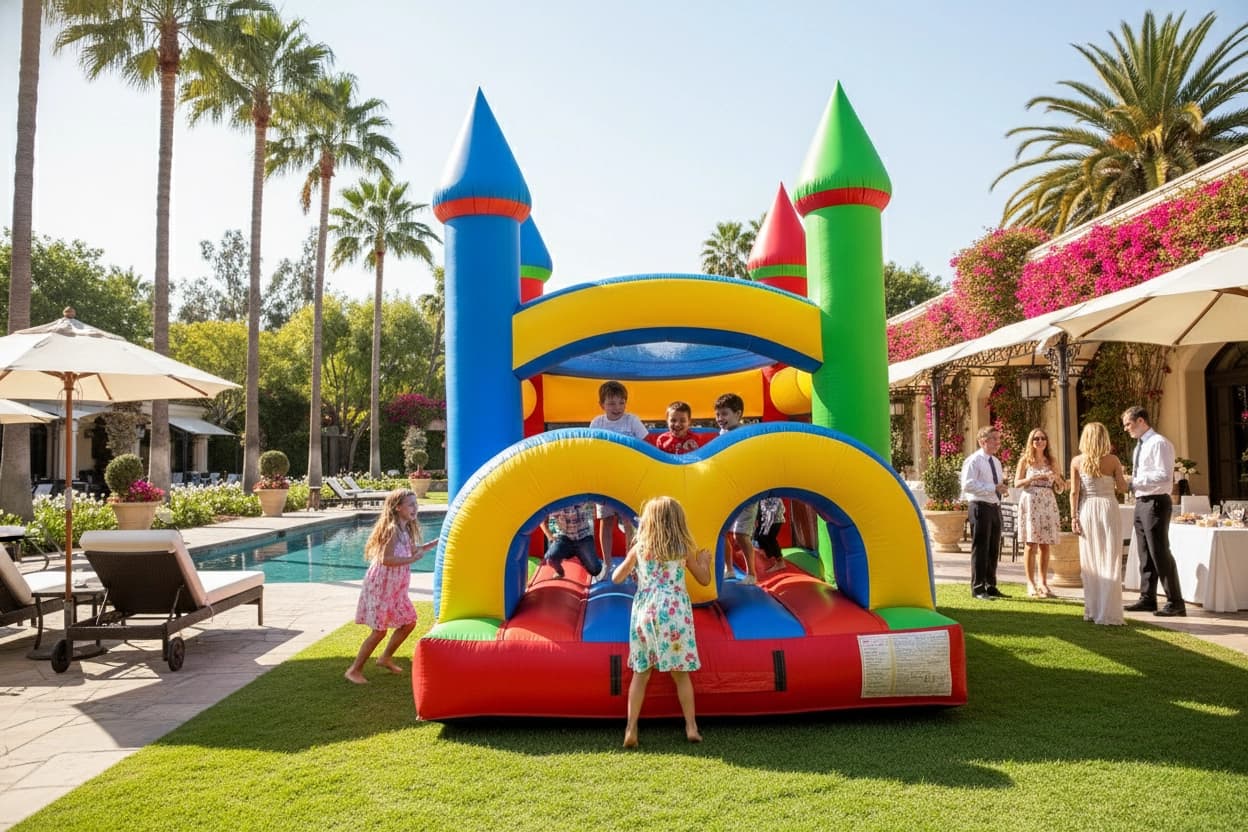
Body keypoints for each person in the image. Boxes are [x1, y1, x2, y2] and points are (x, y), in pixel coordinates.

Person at [612, 496, 712, 748]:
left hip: (646, 611)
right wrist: (704, 563)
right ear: (678, 521)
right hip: (675, 612)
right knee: (680, 675)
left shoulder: (641, 548)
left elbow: (616, 577)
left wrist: (629, 566)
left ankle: (631, 728)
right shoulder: (682, 549)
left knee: (641, 672)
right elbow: (703, 580)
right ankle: (691, 726)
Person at [345, 489, 436, 684]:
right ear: (398, 507)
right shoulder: (392, 529)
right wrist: (412, 559)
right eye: (410, 505)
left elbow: (414, 549)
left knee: (409, 622)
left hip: (396, 588)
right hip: (381, 586)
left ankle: (385, 657)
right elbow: (386, 559)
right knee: (379, 630)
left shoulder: (406, 529)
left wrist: (436, 543)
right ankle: (354, 670)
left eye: (416, 504)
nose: (415, 508)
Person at [1122, 406, 1186, 616]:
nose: (1126, 429)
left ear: (1141, 421)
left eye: (1128, 424)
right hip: (1141, 501)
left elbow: (1164, 476)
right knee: (1144, 553)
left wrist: (1133, 481)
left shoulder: (1159, 443)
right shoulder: (1140, 446)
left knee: (1159, 552)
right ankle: (1147, 598)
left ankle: (1175, 602)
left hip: (1156, 502)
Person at [1069, 422, 1129, 625]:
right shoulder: (1113, 460)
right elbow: (1122, 488)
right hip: (1108, 508)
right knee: (1110, 558)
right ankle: (1110, 612)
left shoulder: (1077, 461)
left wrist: (1074, 517)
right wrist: (1124, 478)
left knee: (1091, 561)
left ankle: (1093, 611)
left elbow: (1074, 493)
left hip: (1088, 509)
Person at [589, 380, 649, 580]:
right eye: (612, 403)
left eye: (621, 403)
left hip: (628, 479)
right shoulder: (598, 422)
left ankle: (631, 563)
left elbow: (646, 444)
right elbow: (592, 448)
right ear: (602, 404)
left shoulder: (631, 421)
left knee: (629, 521)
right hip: (605, 480)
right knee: (606, 521)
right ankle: (606, 564)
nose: (617, 408)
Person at [1013, 427, 1066, 597]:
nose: (1040, 441)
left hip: (1047, 501)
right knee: (1030, 543)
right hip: (1030, 501)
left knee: (1045, 544)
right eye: (1036, 438)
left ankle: (1043, 582)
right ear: (1031, 441)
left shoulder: (1052, 461)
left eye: (1043, 438)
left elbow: (1061, 487)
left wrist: (1056, 478)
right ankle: (1030, 582)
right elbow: (1016, 483)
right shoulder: (1025, 461)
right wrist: (1032, 479)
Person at [713, 393, 758, 584]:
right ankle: (729, 569)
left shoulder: (745, 434)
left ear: (738, 414)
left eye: (725, 414)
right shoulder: (721, 435)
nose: (720, 419)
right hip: (728, 490)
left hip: (746, 491)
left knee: (740, 534)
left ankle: (752, 574)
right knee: (721, 532)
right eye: (717, 415)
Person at [960, 426, 1009, 600]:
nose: (997, 442)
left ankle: (990, 585)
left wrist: (1001, 489)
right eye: (993, 439)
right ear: (982, 441)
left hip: (994, 506)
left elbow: (995, 484)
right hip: (980, 506)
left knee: (993, 548)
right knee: (980, 548)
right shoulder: (973, 461)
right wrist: (992, 488)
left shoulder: (995, 462)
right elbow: (967, 484)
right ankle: (978, 587)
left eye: (998, 439)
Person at [541, 501, 603, 579]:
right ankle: (560, 572)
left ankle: (582, 556)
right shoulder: (554, 502)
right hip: (565, 537)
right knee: (550, 558)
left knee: (595, 570)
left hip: (583, 537)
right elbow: (542, 521)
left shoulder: (579, 498)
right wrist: (550, 537)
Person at [755, 497, 787, 574]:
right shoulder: (764, 496)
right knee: (762, 537)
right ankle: (771, 557)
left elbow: (777, 508)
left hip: (774, 519)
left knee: (769, 538)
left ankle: (779, 561)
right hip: (770, 519)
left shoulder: (772, 495)